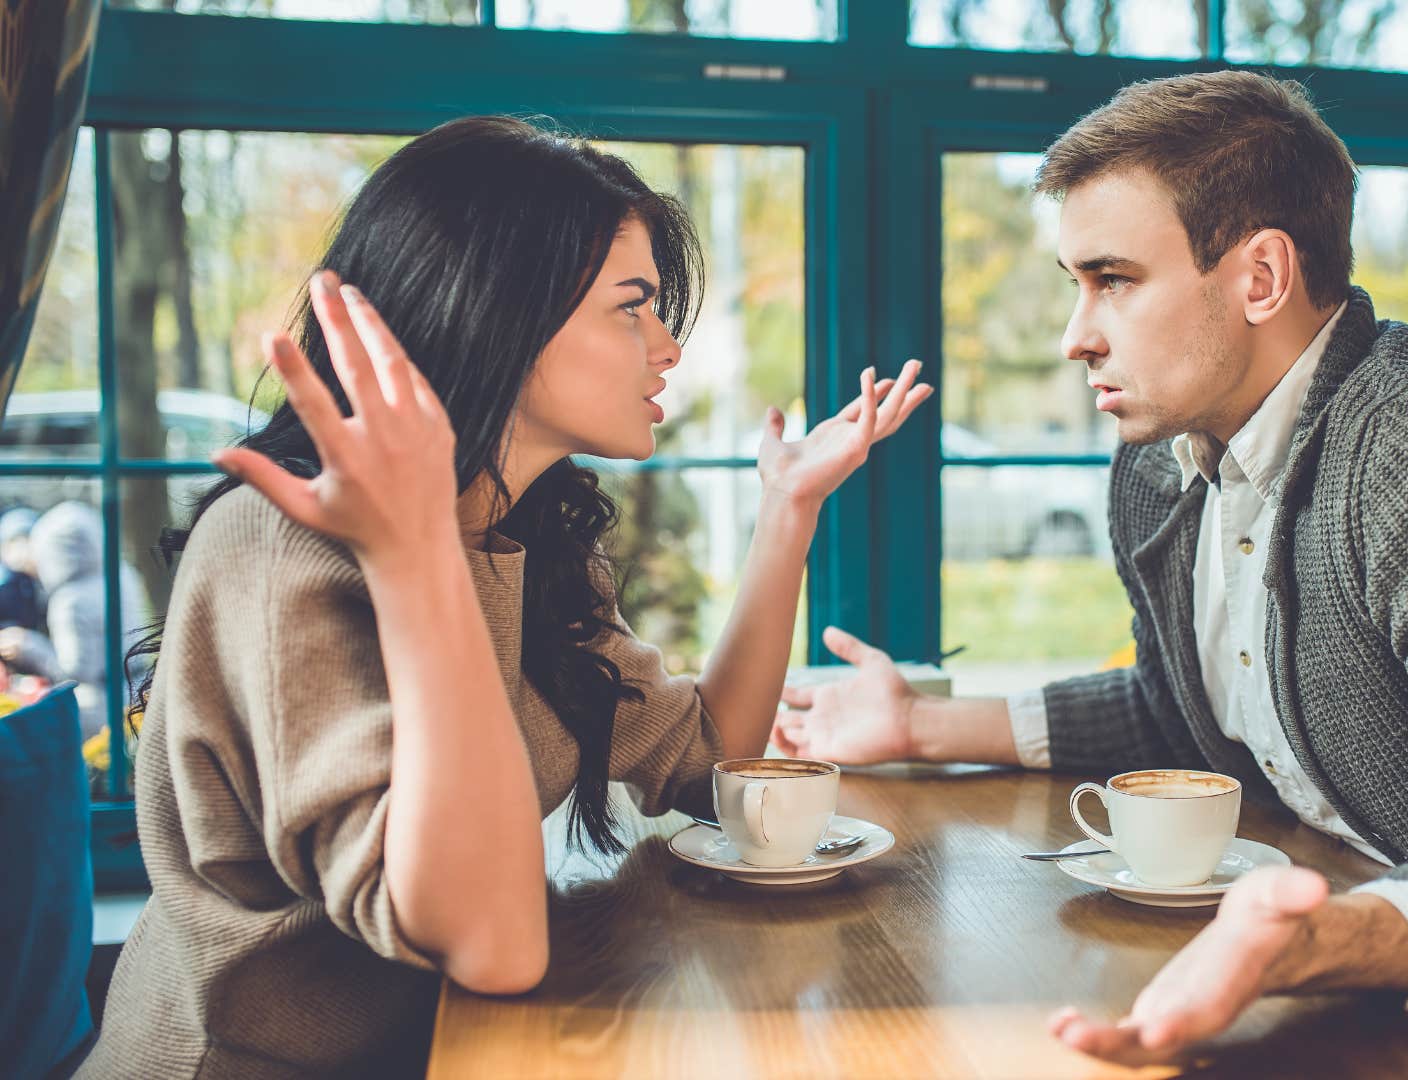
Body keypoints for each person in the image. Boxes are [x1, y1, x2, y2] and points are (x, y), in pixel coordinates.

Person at [773, 70, 1408, 1065]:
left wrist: (1322, 943)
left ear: (1261, 278)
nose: (1076, 338)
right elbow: (1186, 708)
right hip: (1369, 983)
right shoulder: (1160, 466)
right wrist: (923, 727)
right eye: (1075, 284)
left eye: (1114, 280)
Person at [80, 116, 931, 1078]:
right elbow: (493, 945)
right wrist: (418, 557)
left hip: (444, 1046)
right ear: (498, 312)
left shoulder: (527, 531)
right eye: (632, 308)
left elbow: (709, 759)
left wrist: (789, 510)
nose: (667, 347)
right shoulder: (281, 541)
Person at [0, 500, 149, 735]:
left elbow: (76, 673)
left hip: (102, 710)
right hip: (139, 691)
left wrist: (27, 645)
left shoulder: (70, 601)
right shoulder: (122, 574)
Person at [0, 506, 45, 632]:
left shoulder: (48, 581)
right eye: (13, 542)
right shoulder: (5, 585)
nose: (20, 550)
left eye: (25, 540)